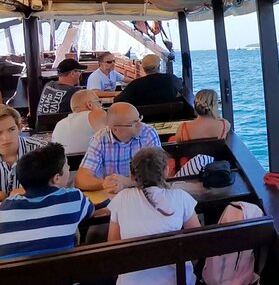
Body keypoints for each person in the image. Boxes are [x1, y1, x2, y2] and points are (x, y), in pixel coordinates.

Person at [108, 147, 200, 285]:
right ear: (166, 171)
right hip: (178, 281)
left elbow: (113, 248)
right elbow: (197, 244)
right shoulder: (180, 198)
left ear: (133, 176)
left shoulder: (121, 199)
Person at [0, 143, 93, 259]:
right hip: (60, 274)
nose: (69, 168)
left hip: (10, 276)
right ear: (56, 178)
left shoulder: (5, 208)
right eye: (67, 166)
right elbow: (94, 211)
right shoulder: (73, 198)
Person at [75, 102, 160, 193]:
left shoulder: (148, 133)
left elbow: (159, 174)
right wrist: (105, 183)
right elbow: (81, 179)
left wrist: (129, 182)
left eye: (139, 119)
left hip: (143, 193)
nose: (141, 125)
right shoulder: (100, 139)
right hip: (112, 195)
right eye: (134, 123)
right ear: (115, 129)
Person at [0, 105, 45, 200]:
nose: (6, 138)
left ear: (20, 128)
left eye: (11, 130)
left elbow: (54, 187)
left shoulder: (40, 151)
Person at [114, 54, 192, 106]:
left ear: (144, 69)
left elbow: (118, 101)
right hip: (170, 116)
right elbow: (182, 88)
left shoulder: (134, 85)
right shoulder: (170, 79)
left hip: (144, 120)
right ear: (158, 67)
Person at [52, 90, 107, 154]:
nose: (101, 106)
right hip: (91, 162)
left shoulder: (59, 124)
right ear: (89, 105)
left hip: (67, 163)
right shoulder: (97, 114)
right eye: (99, 102)